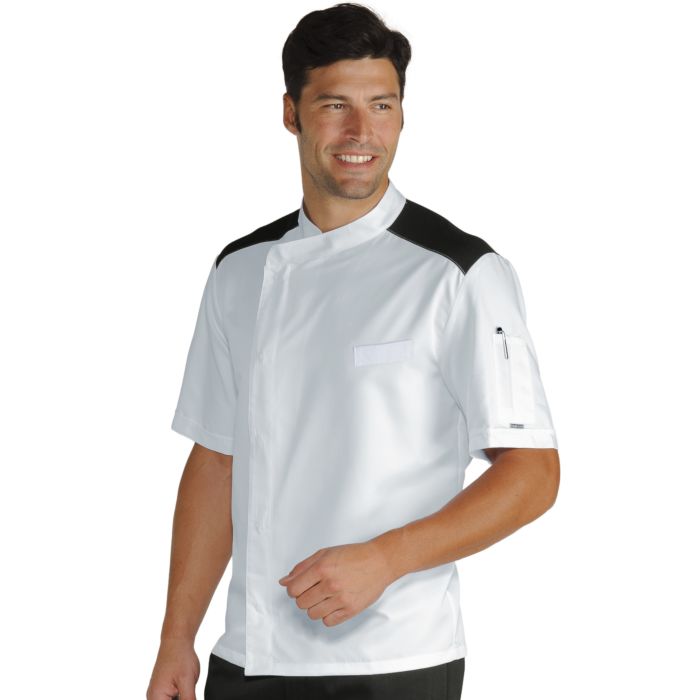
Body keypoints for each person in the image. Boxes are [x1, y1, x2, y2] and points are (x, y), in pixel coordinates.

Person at [147, 3, 560, 699]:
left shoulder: (459, 273)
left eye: (382, 106)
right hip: (248, 658)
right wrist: (175, 637)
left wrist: (387, 558)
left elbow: (533, 474)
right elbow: (218, 460)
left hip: (393, 659)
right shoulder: (238, 271)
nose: (361, 133)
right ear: (292, 113)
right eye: (335, 105)